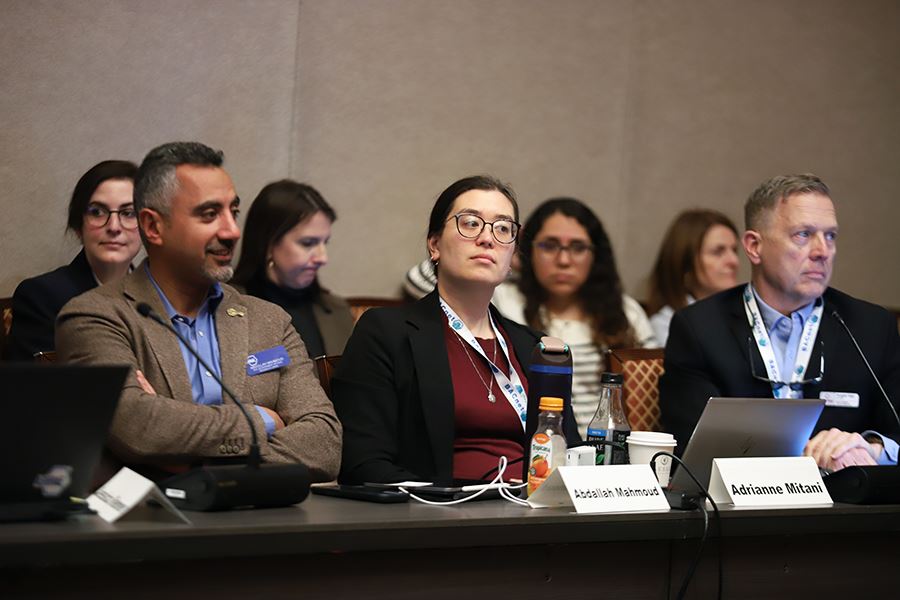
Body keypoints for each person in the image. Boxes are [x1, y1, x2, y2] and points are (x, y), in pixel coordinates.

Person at [56, 142, 341, 482]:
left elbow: (324, 445)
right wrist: (263, 419)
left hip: (270, 510)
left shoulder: (269, 320)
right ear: (153, 227)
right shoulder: (95, 316)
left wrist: (191, 460)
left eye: (233, 212)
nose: (232, 231)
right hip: (156, 512)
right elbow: (141, 429)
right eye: (209, 214)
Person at [332, 175, 580, 484]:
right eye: (471, 223)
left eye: (503, 228)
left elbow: (572, 454)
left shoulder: (536, 348)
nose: (487, 238)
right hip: (441, 509)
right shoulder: (387, 333)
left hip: (532, 507)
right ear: (434, 245)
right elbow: (363, 463)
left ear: (512, 256)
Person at [660, 174, 900, 470]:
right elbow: (692, 449)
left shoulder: (871, 327)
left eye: (830, 236)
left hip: (845, 495)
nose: (822, 251)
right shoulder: (699, 329)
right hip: (742, 496)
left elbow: (896, 430)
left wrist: (870, 449)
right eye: (803, 235)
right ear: (754, 246)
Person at [491, 198, 657, 437]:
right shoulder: (502, 301)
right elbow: (434, 289)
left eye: (578, 247)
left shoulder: (626, 312)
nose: (564, 261)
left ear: (595, 255)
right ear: (529, 250)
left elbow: (651, 398)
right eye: (549, 246)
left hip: (610, 448)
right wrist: (507, 255)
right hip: (535, 443)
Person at [9, 160, 142, 360]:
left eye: (128, 213)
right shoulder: (41, 297)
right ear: (78, 226)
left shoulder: (161, 296)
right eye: (97, 212)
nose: (114, 227)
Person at [232, 180, 353, 357]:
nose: (322, 258)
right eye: (308, 243)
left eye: (324, 243)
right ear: (268, 244)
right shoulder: (226, 308)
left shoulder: (337, 310)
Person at [646, 209, 740, 346]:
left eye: (734, 250)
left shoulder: (747, 315)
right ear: (686, 263)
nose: (734, 261)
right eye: (718, 252)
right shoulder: (666, 325)